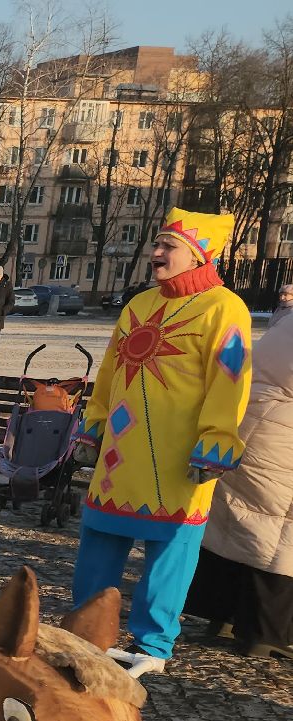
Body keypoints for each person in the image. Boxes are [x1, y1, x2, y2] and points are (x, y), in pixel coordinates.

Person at [71, 208, 253, 660]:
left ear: (196, 256)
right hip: (119, 455)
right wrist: (93, 425)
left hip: (180, 459)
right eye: (156, 244)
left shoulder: (225, 309)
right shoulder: (139, 305)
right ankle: (85, 630)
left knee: (170, 551)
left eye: (167, 246)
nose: (155, 253)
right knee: (99, 540)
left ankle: (152, 643)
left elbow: (229, 381)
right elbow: (111, 372)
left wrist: (216, 440)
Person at [185, 314, 292, 660]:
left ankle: (222, 616)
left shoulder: (286, 323)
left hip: (250, 424)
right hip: (283, 438)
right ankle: (264, 632)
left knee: (235, 527)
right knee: (277, 537)